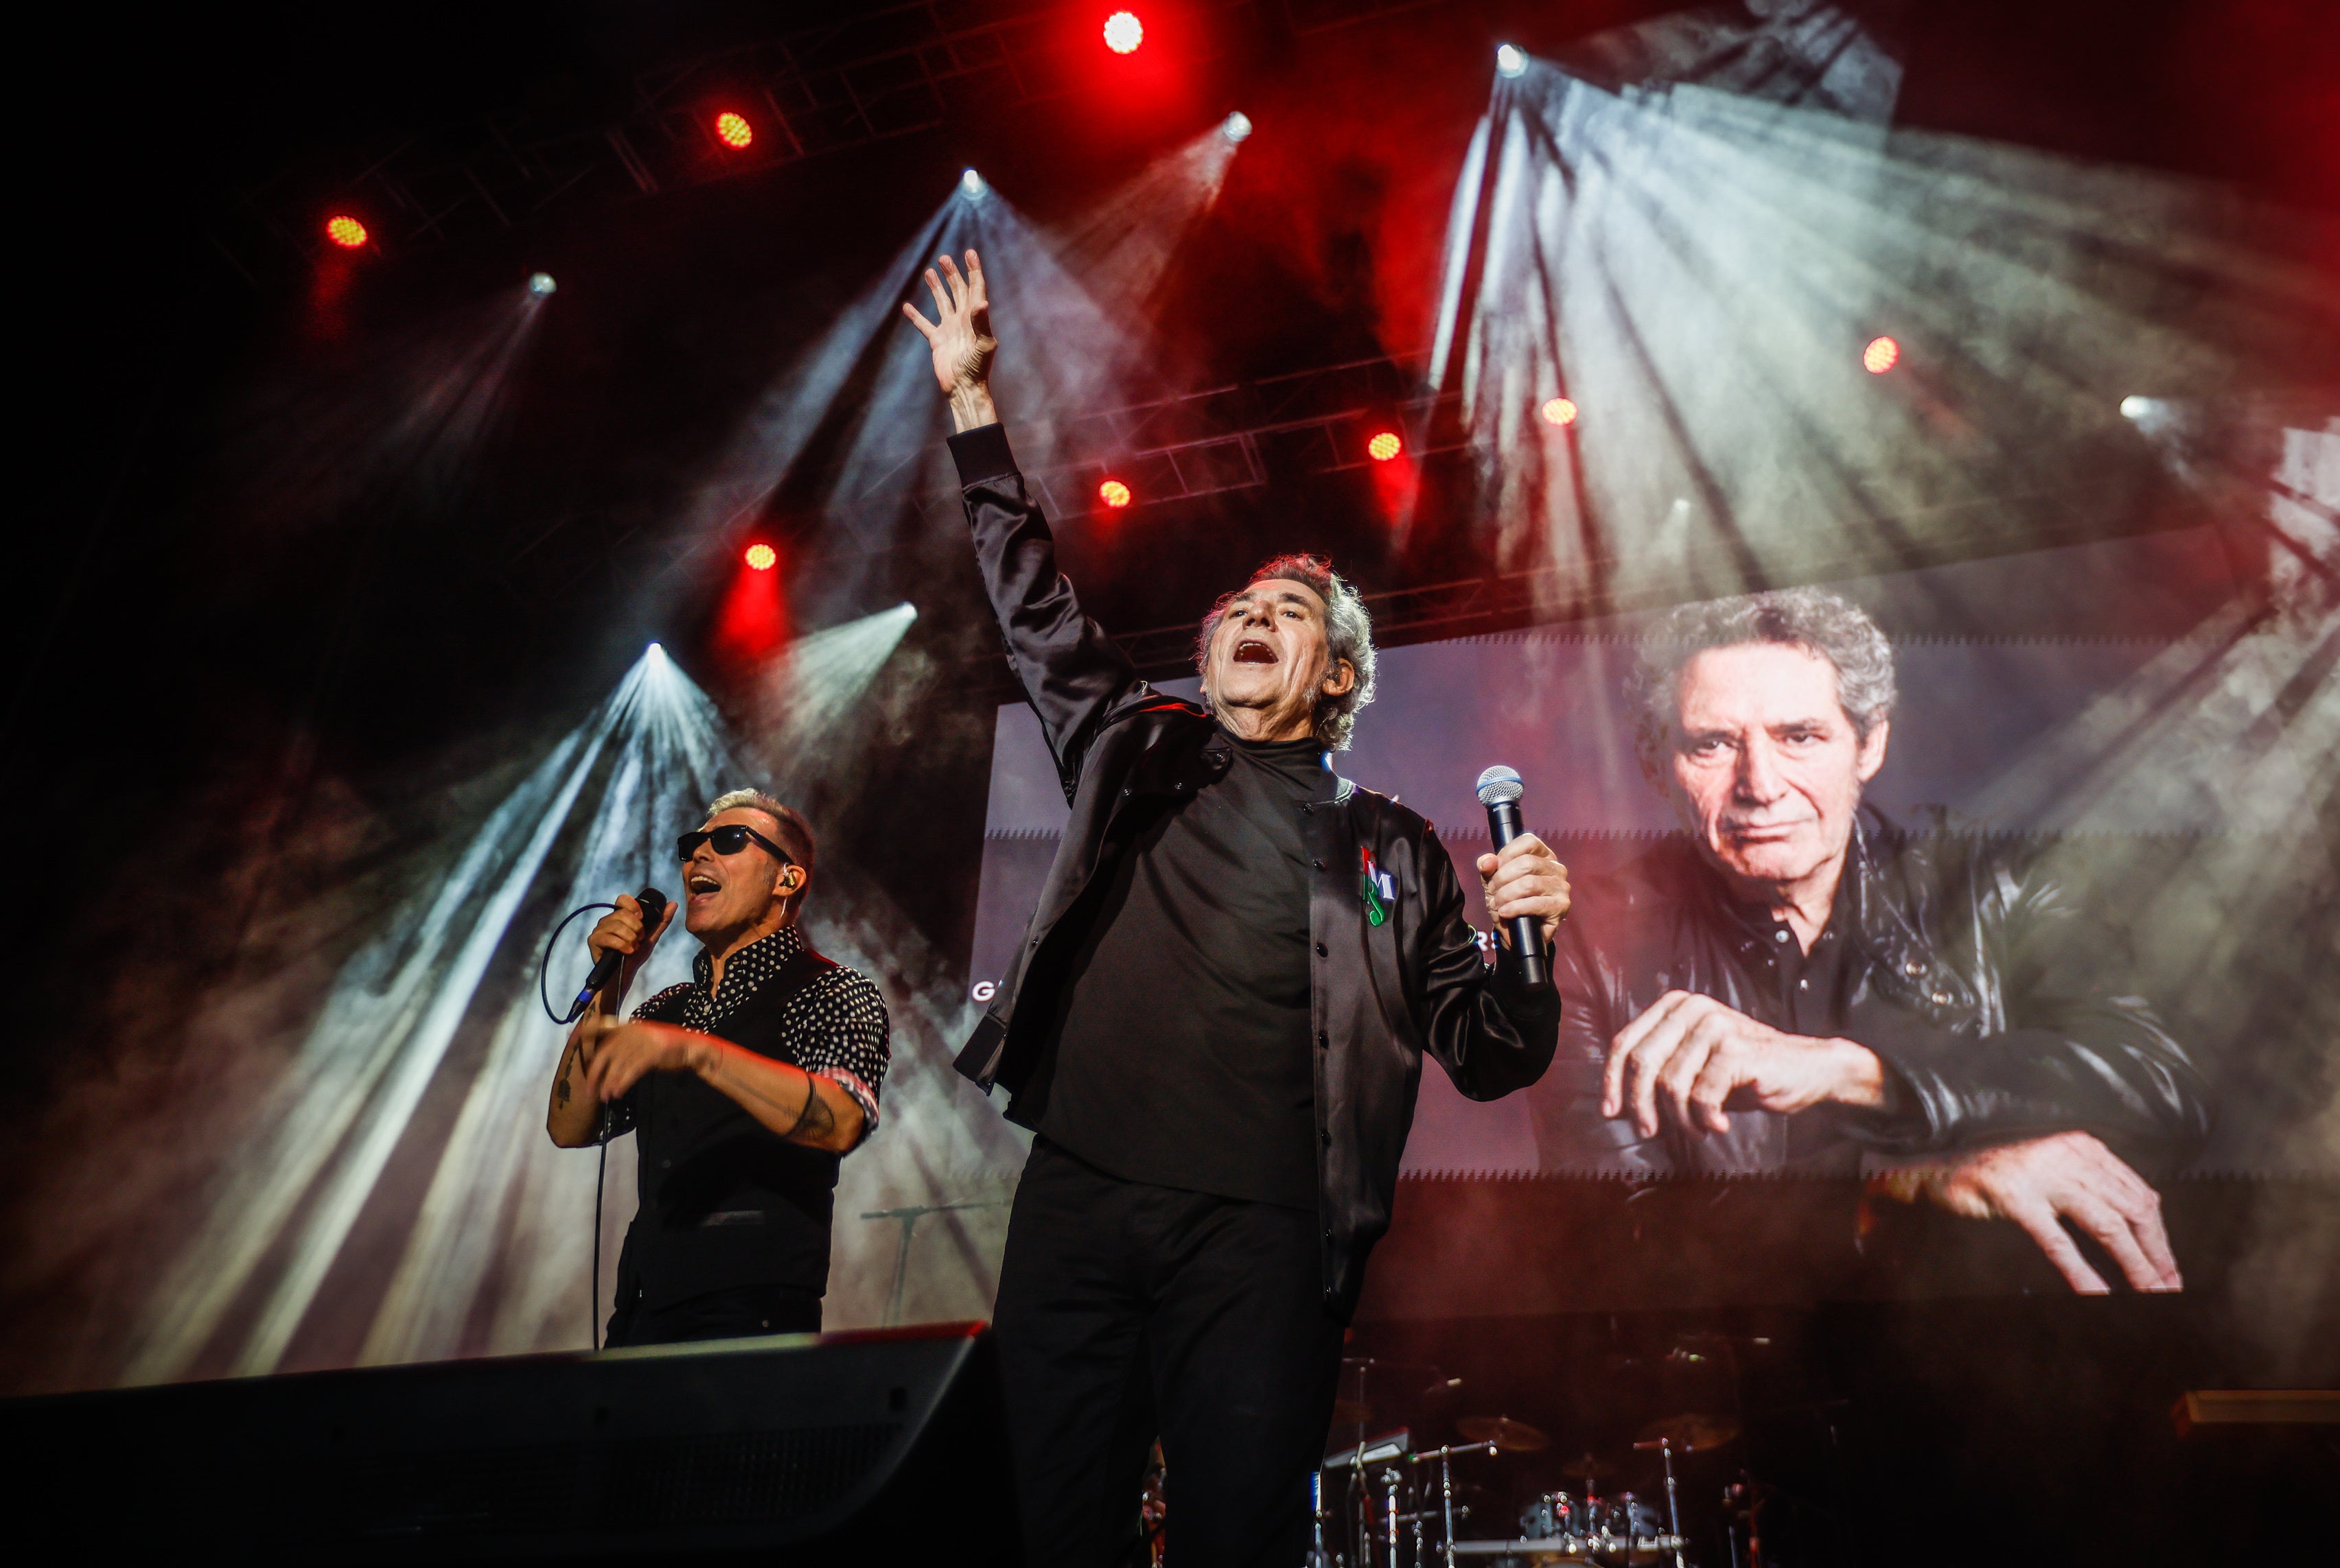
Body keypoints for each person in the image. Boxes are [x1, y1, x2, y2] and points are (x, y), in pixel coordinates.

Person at [903, 249, 1570, 1567]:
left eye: (1291, 612)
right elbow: (1034, 605)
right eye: (1240, 608)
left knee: (1237, 1537)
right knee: (1058, 1527)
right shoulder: (1133, 746)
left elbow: (1492, 1055)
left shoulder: (1393, 849)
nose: (1254, 615)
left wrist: (1531, 953)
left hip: (1265, 1232)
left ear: (1338, 681)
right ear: (1208, 657)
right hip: (1082, 1200)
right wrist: (974, 409)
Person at [1537, 588, 2211, 1294]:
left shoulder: (1995, 881)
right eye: (1711, 743)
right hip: (1742, 1379)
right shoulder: (1591, 944)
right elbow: (1616, 1243)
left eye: (1799, 736)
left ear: (1870, 744)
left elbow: (2158, 1085)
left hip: (2003, 1350)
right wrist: (1887, 1195)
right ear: (1656, 767)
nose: (1759, 785)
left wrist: (1854, 1071)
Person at [546, 788, 890, 1344]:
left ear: (787, 879)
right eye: (691, 845)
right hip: (641, 1309)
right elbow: (571, 1125)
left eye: (728, 841)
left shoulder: (832, 989)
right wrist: (614, 983)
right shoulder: (667, 1008)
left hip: (752, 1316)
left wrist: (697, 1053)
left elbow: (844, 1118)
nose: (697, 856)